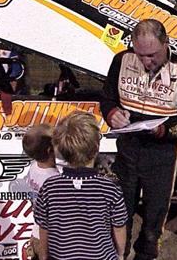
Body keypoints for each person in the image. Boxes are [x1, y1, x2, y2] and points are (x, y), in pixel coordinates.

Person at [100, 19, 177, 260]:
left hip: (162, 156)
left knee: (153, 220)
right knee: (118, 215)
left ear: (166, 43)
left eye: (152, 55)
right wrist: (111, 113)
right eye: (140, 54)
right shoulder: (121, 60)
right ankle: (117, 255)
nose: (146, 61)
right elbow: (106, 98)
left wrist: (165, 130)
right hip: (126, 151)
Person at [33, 111, 128, 260]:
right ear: (96, 148)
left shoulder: (49, 187)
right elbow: (119, 227)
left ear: (62, 150)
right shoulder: (109, 189)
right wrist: (121, 253)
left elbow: (43, 228)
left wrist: (44, 256)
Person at [22, 124, 59, 260]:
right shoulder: (54, 179)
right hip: (50, 240)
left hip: (37, 233)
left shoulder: (33, 167)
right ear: (51, 149)